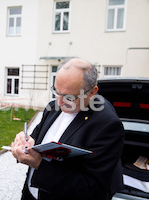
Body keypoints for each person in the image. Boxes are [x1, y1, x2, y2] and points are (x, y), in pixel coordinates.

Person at [11, 57, 124, 200]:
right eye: (56, 92)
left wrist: (39, 163)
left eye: (69, 97)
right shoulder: (53, 107)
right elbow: (37, 136)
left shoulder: (107, 126)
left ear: (92, 92)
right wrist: (26, 142)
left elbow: (93, 189)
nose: (59, 102)